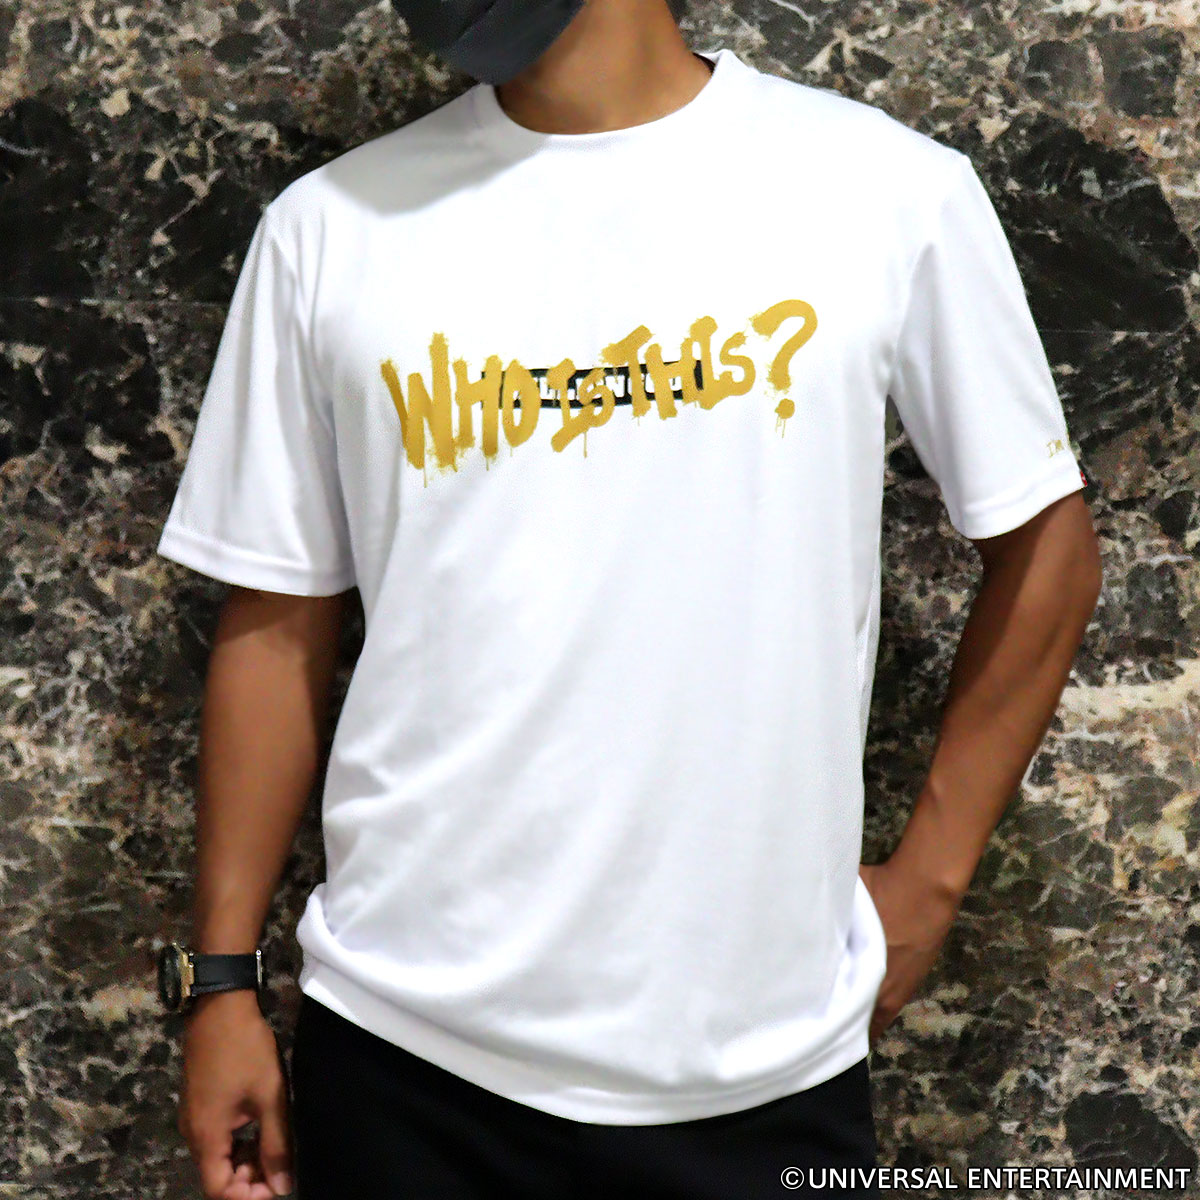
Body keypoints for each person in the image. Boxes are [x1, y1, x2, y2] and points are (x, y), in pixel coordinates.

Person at [157, 0, 1103, 1197]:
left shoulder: (882, 190)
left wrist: (930, 881)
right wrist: (222, 984)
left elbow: (1049, 549)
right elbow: (276, 623)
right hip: (406, 1048)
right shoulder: (331, 227)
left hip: (761, 1066)